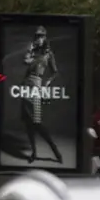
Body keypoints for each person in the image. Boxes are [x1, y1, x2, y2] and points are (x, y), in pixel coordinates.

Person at [20, 26, 63, 163]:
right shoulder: (32, 51)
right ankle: (34, 152)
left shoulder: (48, 54)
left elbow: (55, 71)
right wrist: (30, 49)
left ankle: (55, 149)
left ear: (45, 38)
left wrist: (47, 83)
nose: (39, 38)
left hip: (37, 84)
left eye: (41, 36)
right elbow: (25, 61)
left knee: (37, 121)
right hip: (26, 84)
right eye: (37, 36)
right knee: (28, 122)